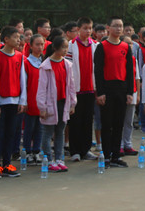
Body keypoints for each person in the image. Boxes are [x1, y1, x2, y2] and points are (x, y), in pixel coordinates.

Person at [93, 17, 134, 168]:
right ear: (108, 27)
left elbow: (129, 70)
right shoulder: (102, 47)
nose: (118, 28)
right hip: (107, 89)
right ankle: (106, 156)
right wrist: (100, 92)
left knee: (118, 124)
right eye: (115, 26)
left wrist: (130, 92)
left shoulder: (125, 47)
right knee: (107, 124)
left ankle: (116, 155)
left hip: (122, 89)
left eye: (120, 26)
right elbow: (98, 71)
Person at [0, 26, 27, 178]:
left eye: (19, 38)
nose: (18, 40)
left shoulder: (19, 56)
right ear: (6, 39)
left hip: (15, 101)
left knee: (11, 134)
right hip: (1, 102)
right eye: (15, 37)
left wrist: (22, 101)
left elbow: (22, 80)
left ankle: (7, 164)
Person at [38, 36, 76, 173]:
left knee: (60, 131)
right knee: (48, 133)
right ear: (55, 48)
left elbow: (71, 85)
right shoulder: (45, 66)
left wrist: (72, 103)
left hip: (63, 103)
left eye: (66, 47)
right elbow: (42, 89)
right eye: (63, 47)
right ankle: (48, 160)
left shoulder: (67, 65)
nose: (65, 50)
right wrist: (42, 107)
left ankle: (59, 159)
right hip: (50, 104)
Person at [68, 17, 98, 162]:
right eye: (85, 28)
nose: (88, 31)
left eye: (90, 28)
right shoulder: (71, 45)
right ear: (78, 29)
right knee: (75, 121)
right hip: (75, 89)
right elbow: (67, 68)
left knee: (87, 121)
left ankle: (86, 150)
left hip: (90, 89)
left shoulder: (95, 45)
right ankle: (75, 151)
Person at [23, 34, 45, 164]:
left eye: (42, 44)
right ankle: (27, 151)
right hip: (30, 99)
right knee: (29, 128)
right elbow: (24, 84)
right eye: (37, 44)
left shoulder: (45, 62)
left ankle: (37, 151)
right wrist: (24, 101)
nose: (40, 47)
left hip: (42, 101)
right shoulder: (26, 63)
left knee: (40, 128)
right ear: (31, 46)